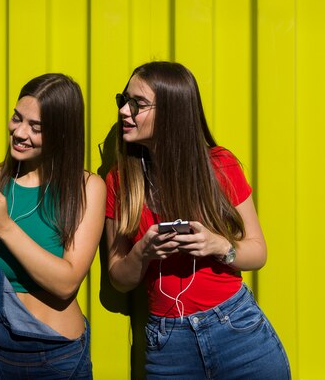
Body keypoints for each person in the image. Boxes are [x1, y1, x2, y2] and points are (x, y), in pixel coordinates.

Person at [106, 61, 291, 379]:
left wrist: (218, 244)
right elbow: (118, 278)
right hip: (168, 343)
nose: (125, 111)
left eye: (138, 104)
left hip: (236, 328)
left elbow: (258, 252)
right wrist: (143, 252)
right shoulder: (120, 180)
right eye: (123, 100)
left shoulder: (219, 166)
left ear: (172, 112)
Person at [0, 73, 106, 379]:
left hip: (54, 356)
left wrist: (4, 227)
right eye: (16, 118)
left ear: (62, 134)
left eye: (35, 127)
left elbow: (66, 283)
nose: (20, 132)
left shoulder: (87, 187)